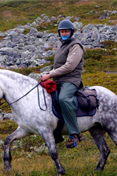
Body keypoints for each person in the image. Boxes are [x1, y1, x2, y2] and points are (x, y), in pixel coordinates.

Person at [41, 20, 85, 148]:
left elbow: (69, 66)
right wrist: (50, 74)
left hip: (71, 80)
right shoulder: (62, 45)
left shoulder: (76, 45)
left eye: (66, 31)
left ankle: (75, 133)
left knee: (64, 99)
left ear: (71, 32)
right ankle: (56, 133)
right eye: (62, 31)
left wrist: (50, 75)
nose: (64, 33)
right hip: (59, 80)